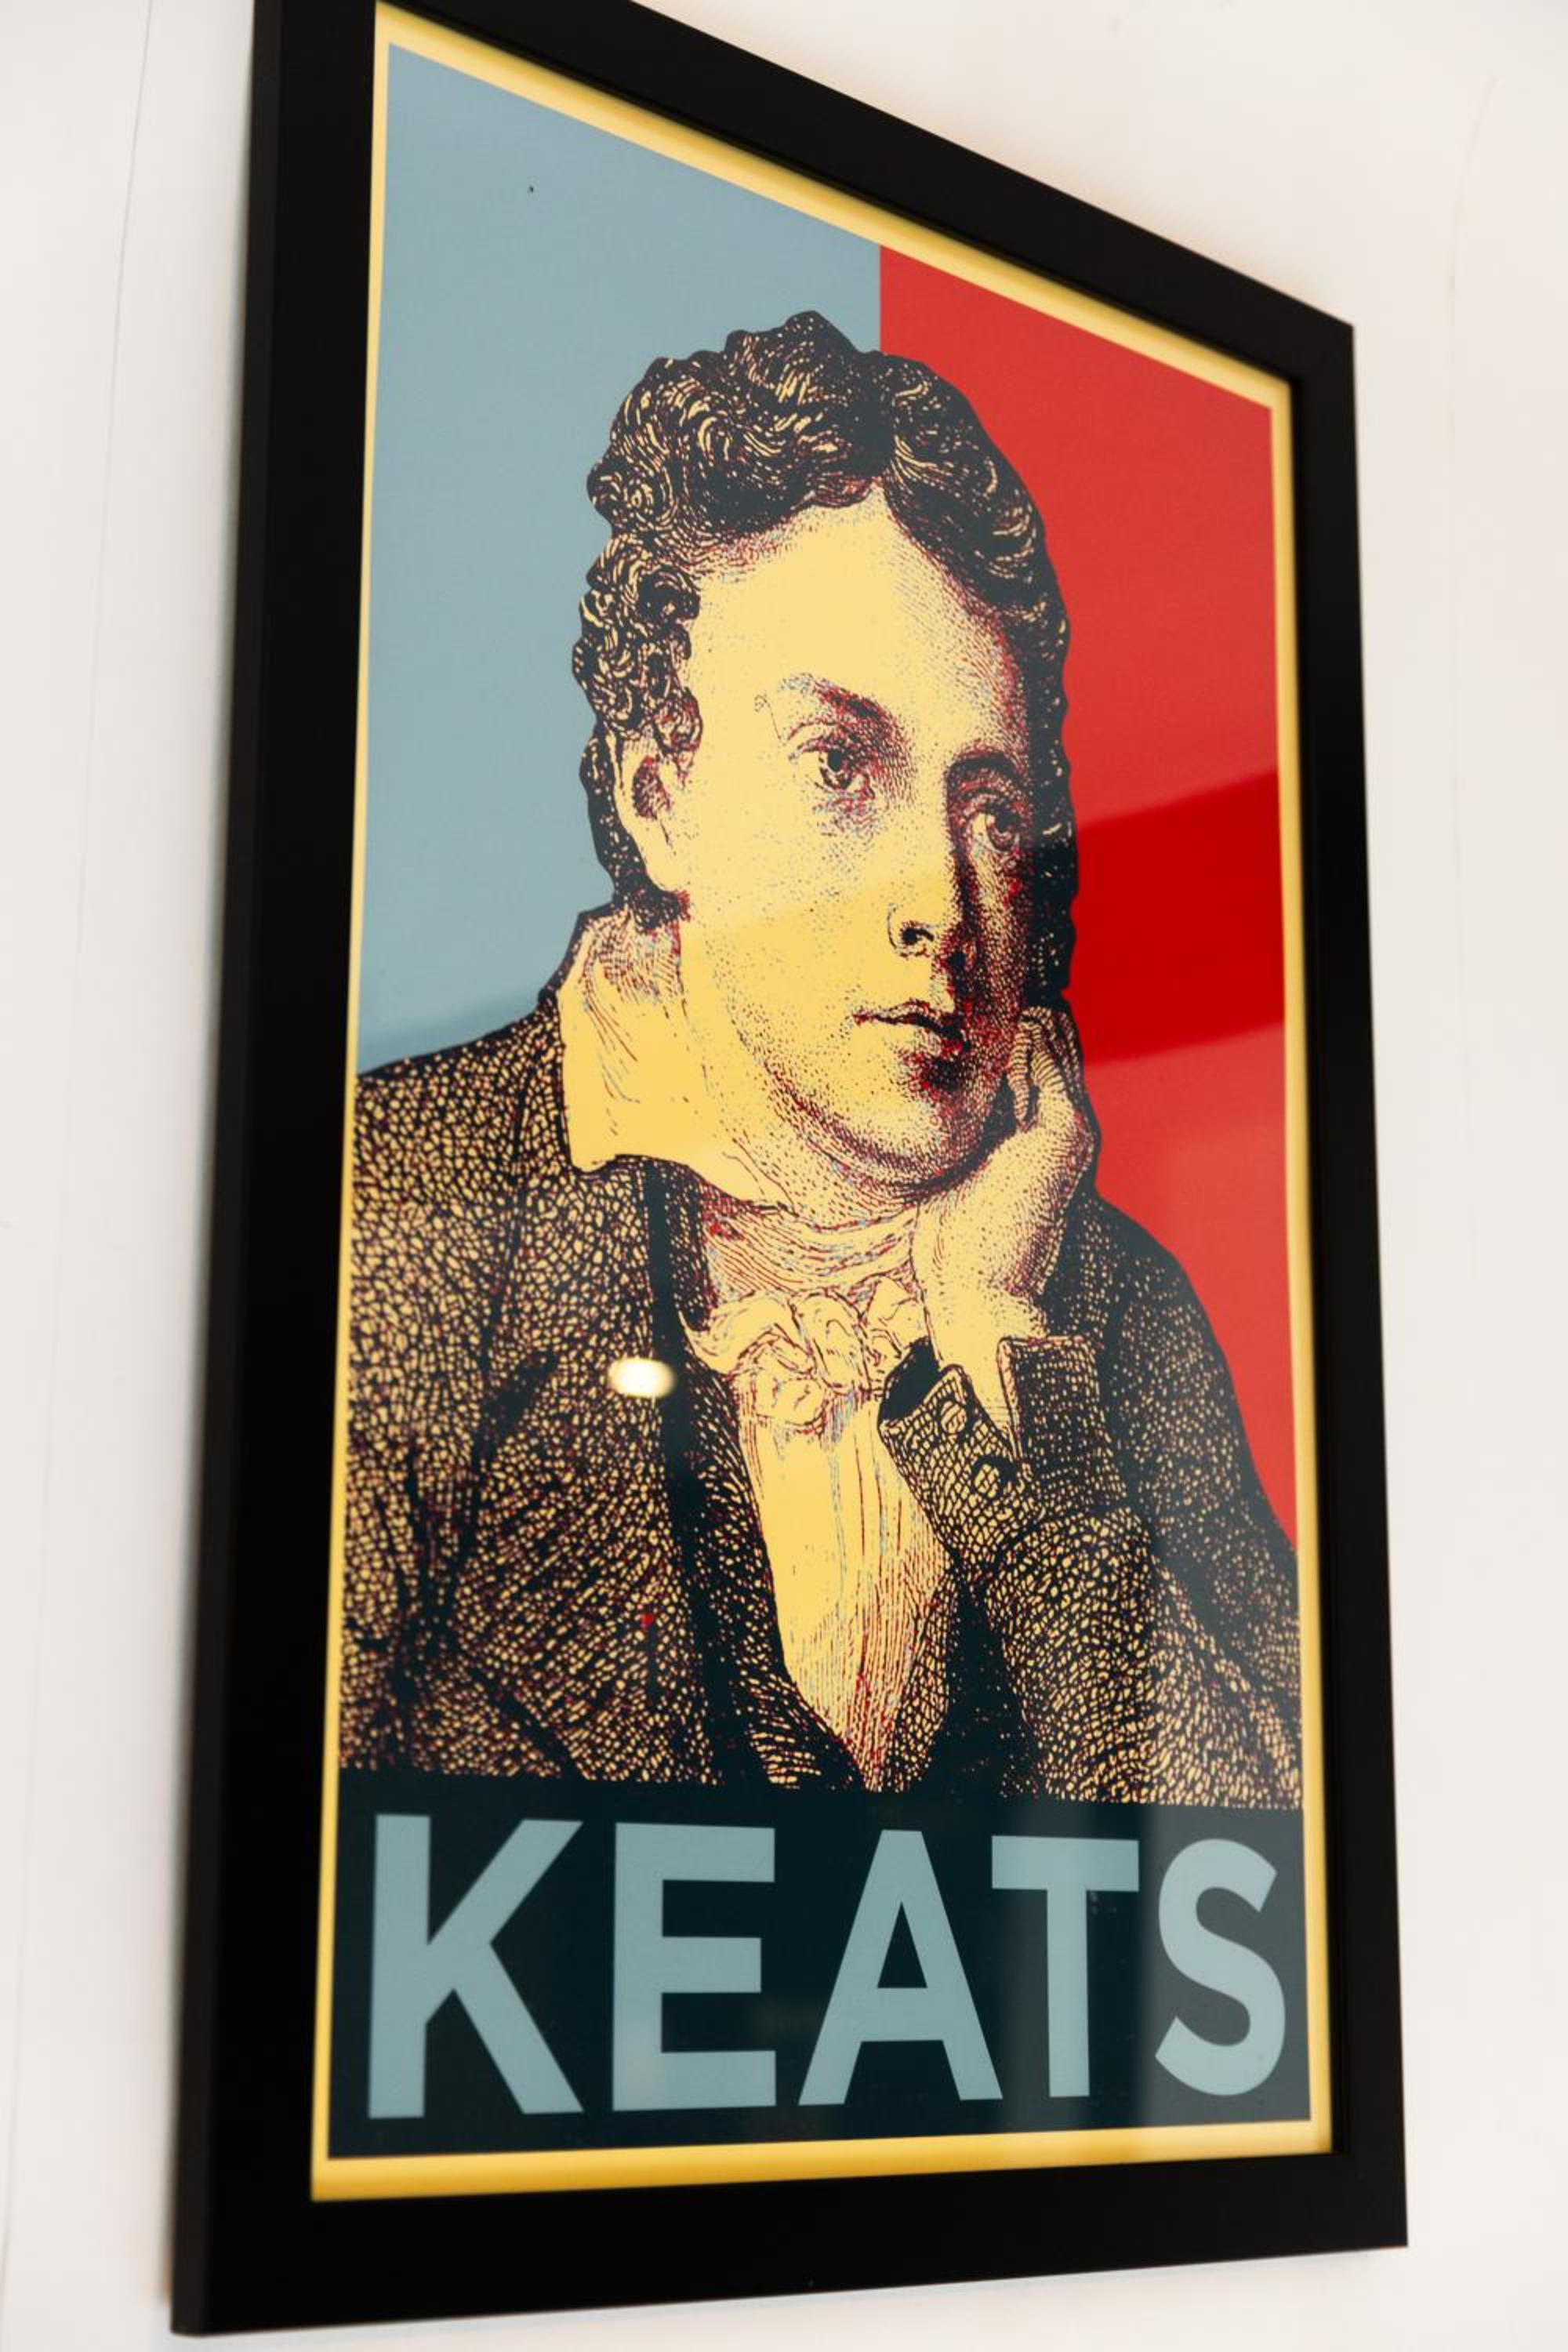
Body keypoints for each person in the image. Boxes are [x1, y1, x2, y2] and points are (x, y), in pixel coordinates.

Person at [340, 310, 1301, 1806]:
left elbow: (1262, 1886)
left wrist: (997, 1341)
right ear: (660, 797)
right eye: (841, 766)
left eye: (992, 812)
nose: (942, 905)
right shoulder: (400, 1201)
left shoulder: (1111, 1309)